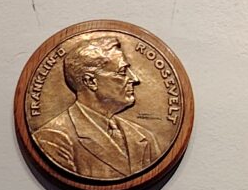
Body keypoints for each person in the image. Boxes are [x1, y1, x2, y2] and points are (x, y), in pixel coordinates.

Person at [32, 31, 162, 181]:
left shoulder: (143, 137)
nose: (134, 79)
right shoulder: (54, 138)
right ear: (90, 81)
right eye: (122, 72)